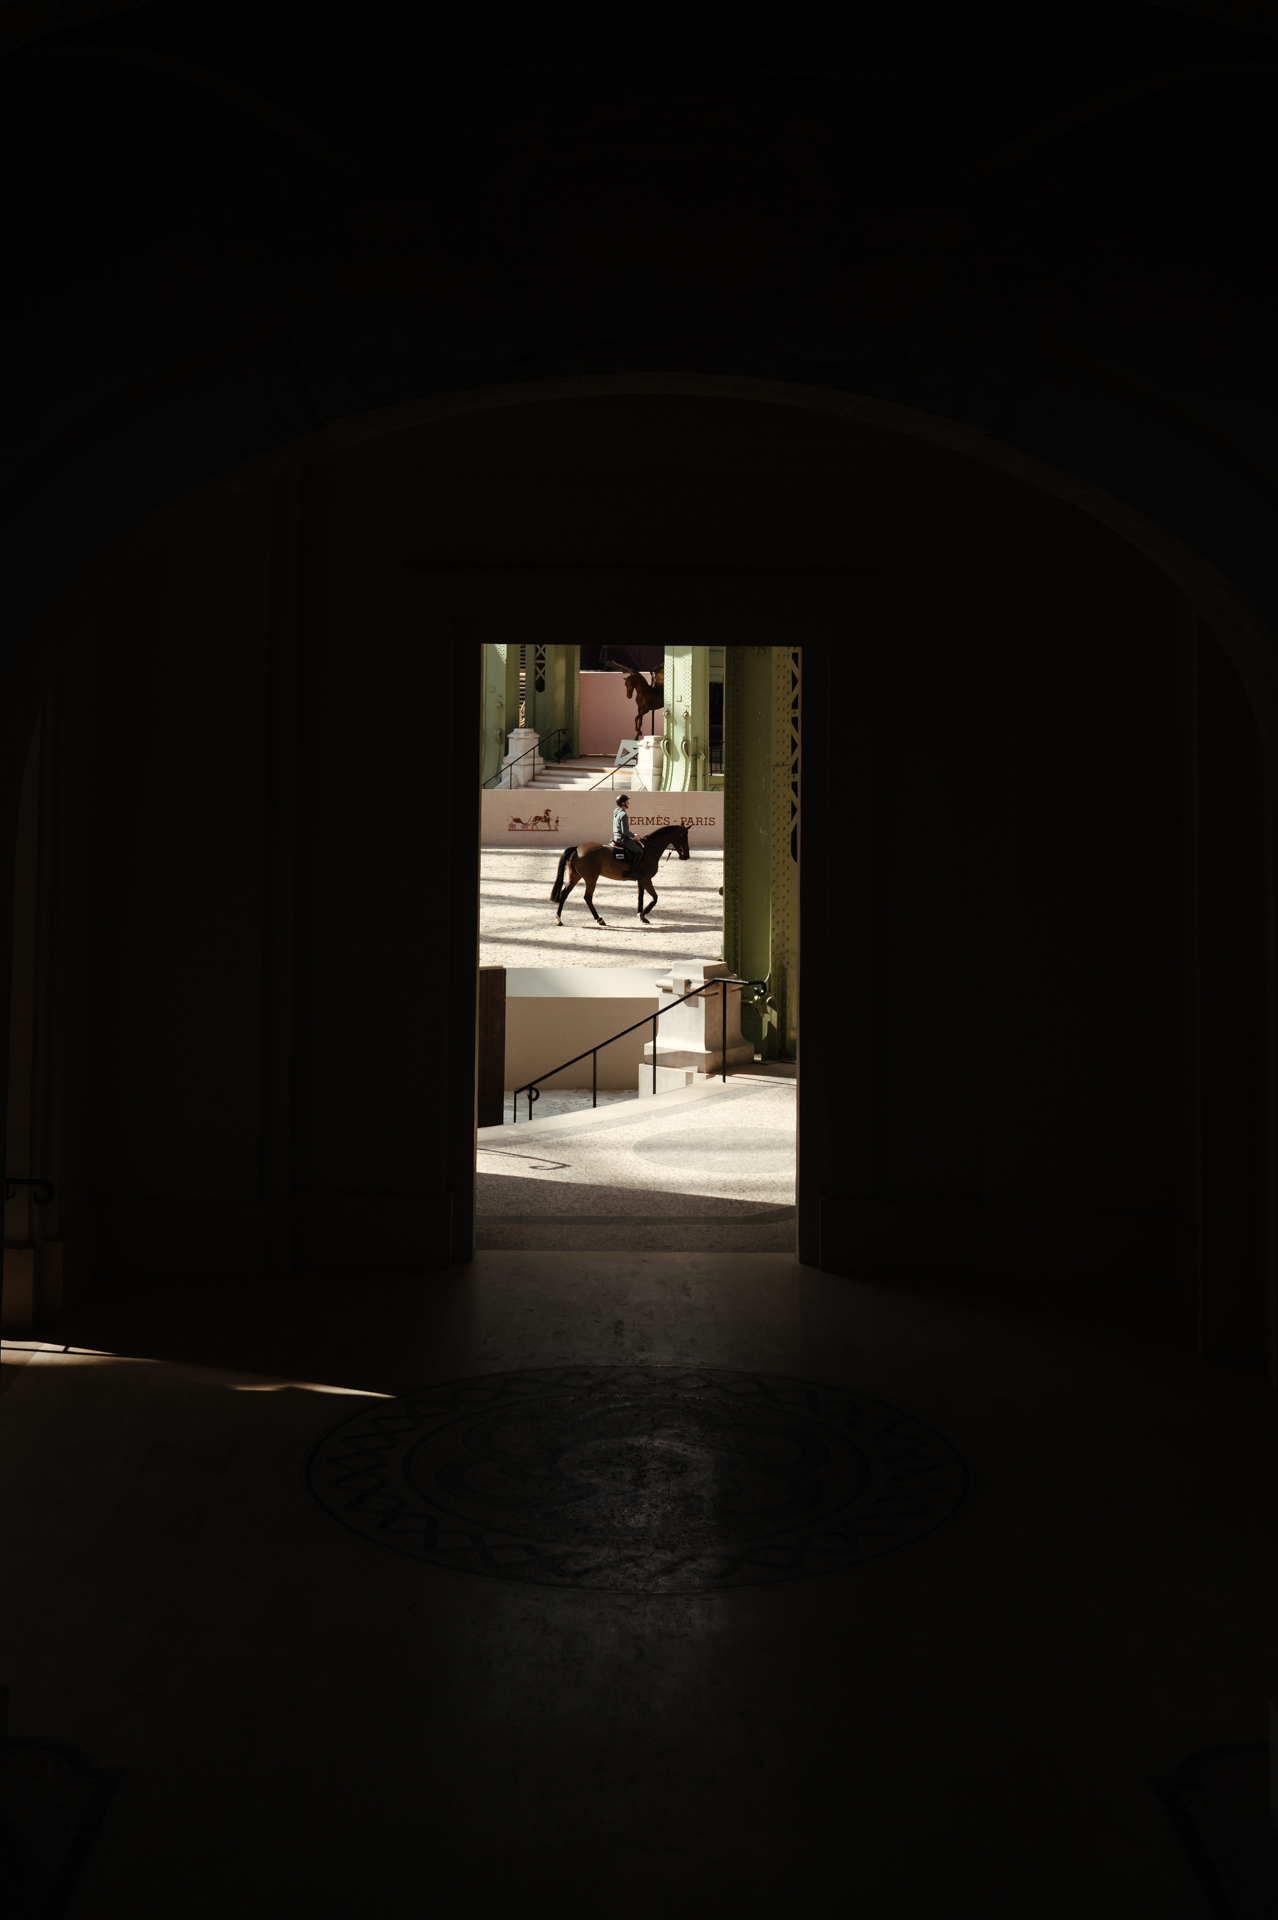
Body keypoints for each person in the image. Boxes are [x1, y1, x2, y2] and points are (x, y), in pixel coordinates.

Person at [611, 793, 645, 869]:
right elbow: (625, 831)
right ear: (623, 803)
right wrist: (634, 835)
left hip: (616, 837)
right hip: (622, 839)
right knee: (640, 851)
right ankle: (634, 871)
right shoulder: (623, 815)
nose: (628, 803)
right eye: (627, 801)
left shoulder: (616, 813)